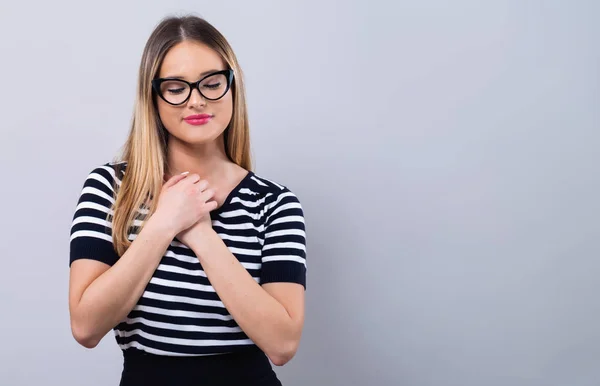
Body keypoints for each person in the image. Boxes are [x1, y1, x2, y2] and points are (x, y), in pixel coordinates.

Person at [68, 15, 307, 386]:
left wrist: (202, 234)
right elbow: (85, 326)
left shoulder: (274, 203)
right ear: (154, 96)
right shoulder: (111, 187)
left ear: (232, 87)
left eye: (211, 83)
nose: (196, 101)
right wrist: (165, 223)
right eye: (176, 88)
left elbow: (282, 344)